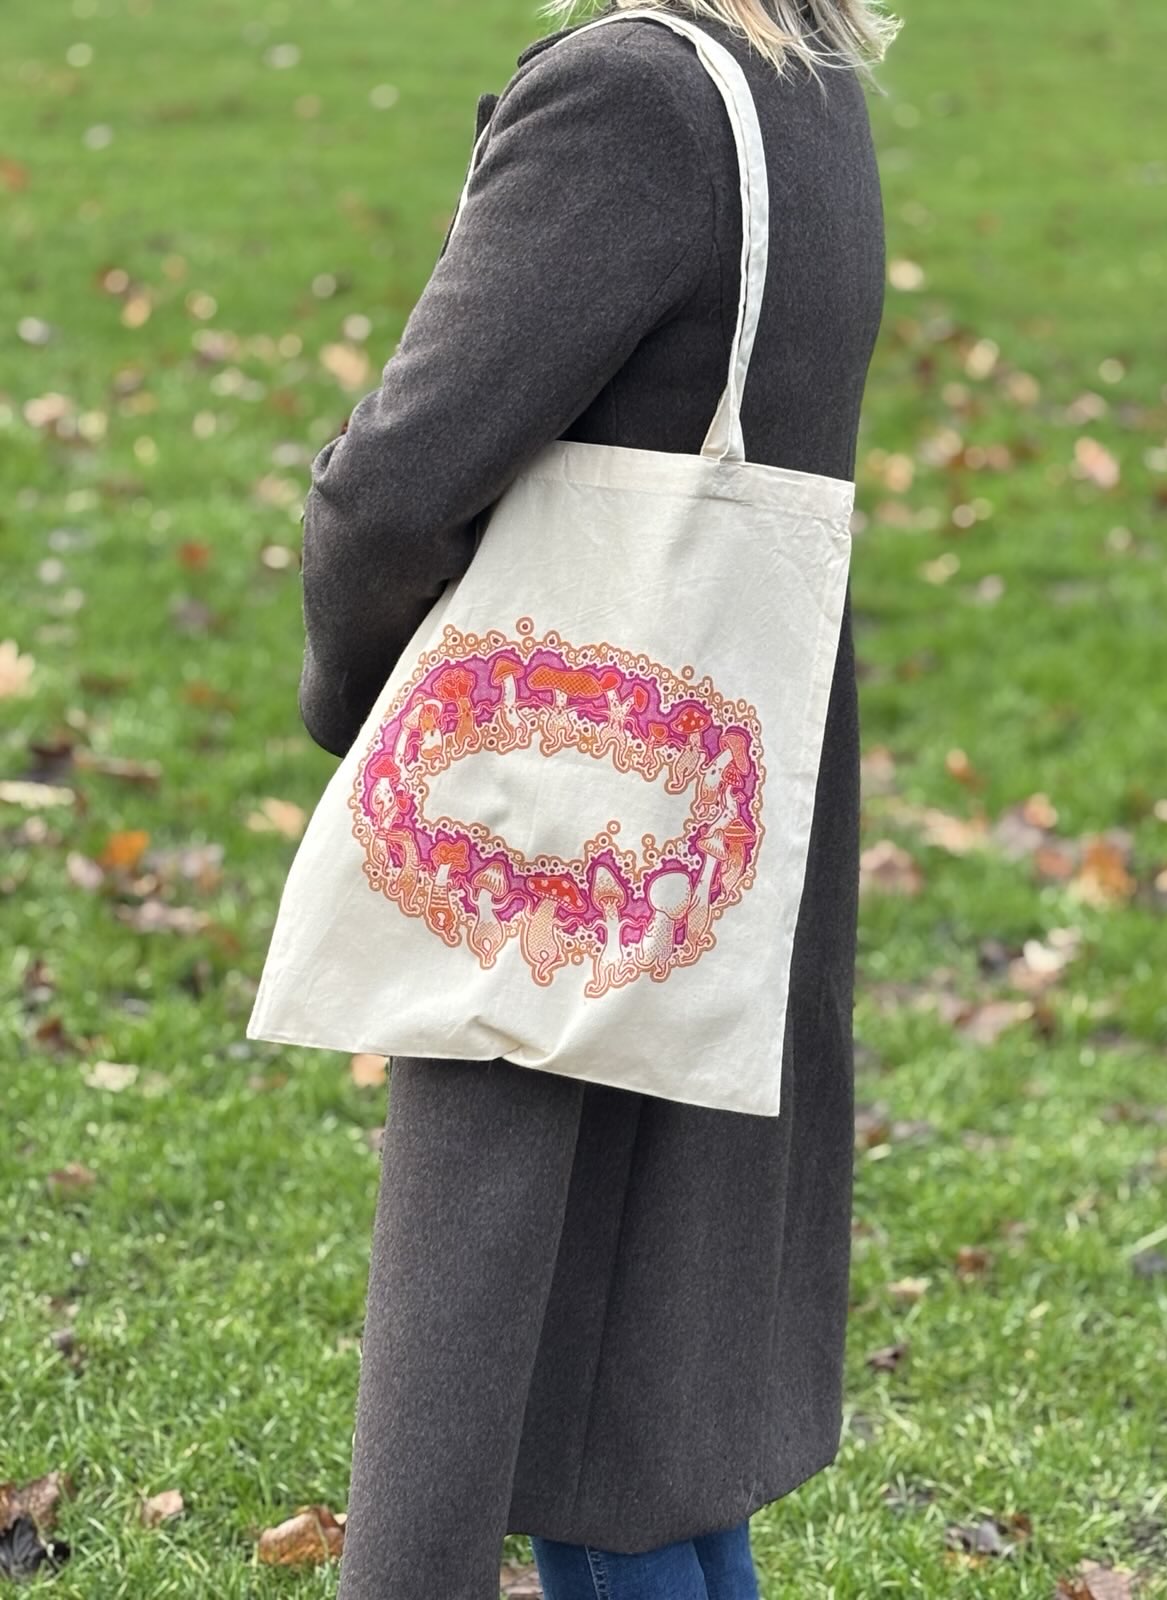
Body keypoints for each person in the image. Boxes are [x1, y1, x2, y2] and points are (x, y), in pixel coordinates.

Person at [294, 0, 895, 1594]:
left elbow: (393, 488)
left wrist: (361, 705)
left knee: (550, 1370)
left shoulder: (631, 98)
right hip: (718, 796)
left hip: (559, 813)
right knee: (637, 1411)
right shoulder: (804, 84)